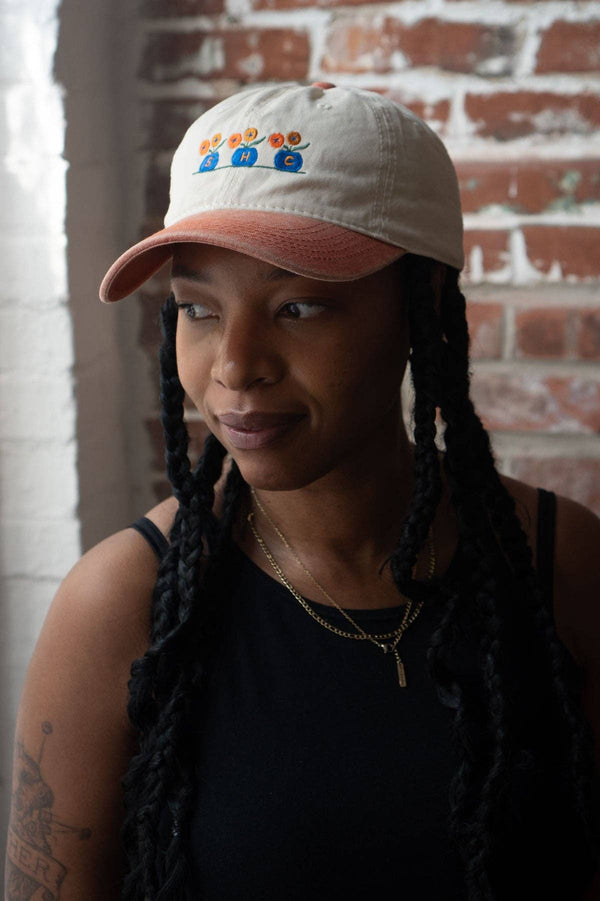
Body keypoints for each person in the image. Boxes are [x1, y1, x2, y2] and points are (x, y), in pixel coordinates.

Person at [4, 81, 600, 901]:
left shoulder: (559, 563)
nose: (236, 364)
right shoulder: (121, 605)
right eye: (198, 309)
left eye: (299, 306)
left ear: (419, 309)